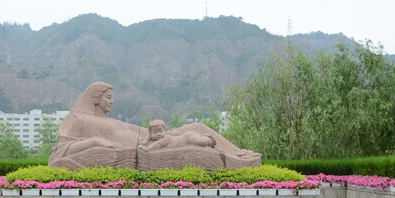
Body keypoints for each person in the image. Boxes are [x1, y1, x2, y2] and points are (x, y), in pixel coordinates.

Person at [50, 82, 261, 170]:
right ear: (96, 98)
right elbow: (61, 151)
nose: (112, 102)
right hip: (147, 143)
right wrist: (95, 141)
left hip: (151, 137)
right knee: (197, 129)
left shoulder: (103, 119)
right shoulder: (81, 120)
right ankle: (238, 157)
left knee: (198, 127)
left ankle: (237, 154)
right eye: (109, 97)